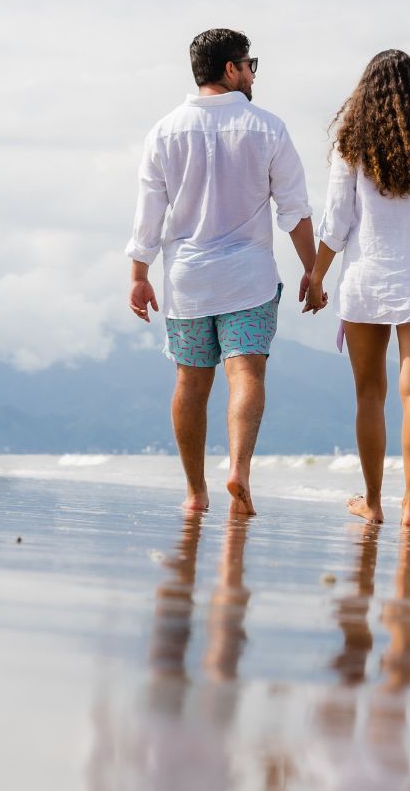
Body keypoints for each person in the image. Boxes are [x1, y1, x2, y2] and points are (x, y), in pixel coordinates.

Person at [125, 28, 324, 515]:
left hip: (188, 282)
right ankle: (239, 469)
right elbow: (294, 211)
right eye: (249, 63)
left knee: (190, 384)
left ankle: (195, 493)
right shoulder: (268, 128)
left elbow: (148, 214)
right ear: (231, 69)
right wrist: (313, 272)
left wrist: (138, 273)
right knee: (246, 373)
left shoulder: (164, 131)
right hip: (248, 280)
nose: (253, 73)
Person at [305, 49, 410, 527]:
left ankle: (375, 502)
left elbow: (335, 225)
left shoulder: (352, 148)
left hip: (365, 282)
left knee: (368, 394)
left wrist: (317, 275)